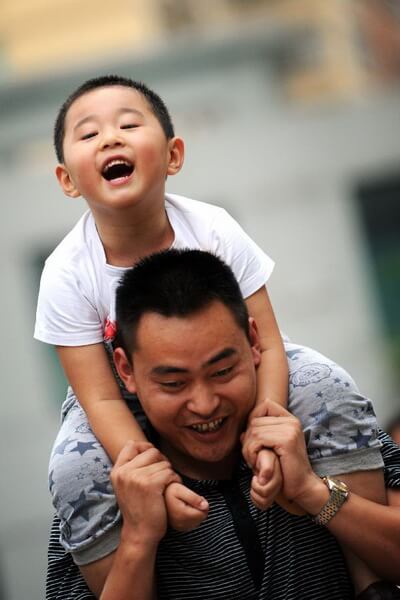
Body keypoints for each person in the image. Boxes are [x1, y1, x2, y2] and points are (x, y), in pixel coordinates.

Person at [46, 249, 400, 600]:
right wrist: (138, 539)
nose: (204, 404)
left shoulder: (316, 414)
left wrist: (311, 491)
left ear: (254, 341)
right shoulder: (94, 482)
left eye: (222, 372)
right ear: (126, 371)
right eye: (173, 383)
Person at [35, 73, 292, 543]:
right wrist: (156, 476)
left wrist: (267, 426)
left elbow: (270, 342)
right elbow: (100, 399)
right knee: (73, 460)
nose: (110, 137)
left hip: (224, 361)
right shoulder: (65, 273)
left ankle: (368, 578)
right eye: (89, 134)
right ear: (67, 180)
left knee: (318, 380)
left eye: (129, 126)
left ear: (173, 155)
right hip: (113, 390)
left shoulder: (212, 228)